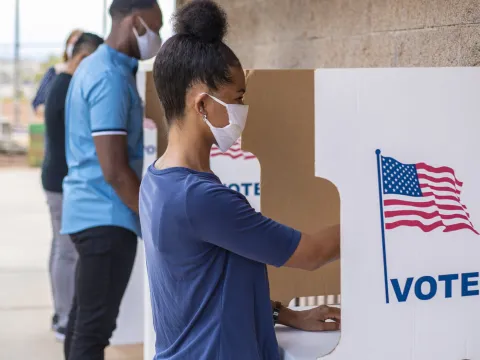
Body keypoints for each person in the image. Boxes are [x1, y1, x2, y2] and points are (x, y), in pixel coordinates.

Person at [139, 1, 341, 359]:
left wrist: (283, 314)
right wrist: (376, 216)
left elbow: (206, 285)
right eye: (238, 98)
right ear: (202, 105)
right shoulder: (199, 198)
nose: (243, 110)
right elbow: (313, 254)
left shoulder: (157, 180)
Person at [61, 0, 162, 359]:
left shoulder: (99, 68)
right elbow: (116, 171)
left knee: (83, 322)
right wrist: (151, 220)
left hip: (90, 212)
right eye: (155, 27)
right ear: (134, 22)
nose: (159, 37)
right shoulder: (109, 78)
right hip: (105, 216)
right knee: (93, 330)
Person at [42, 32, 104, 341]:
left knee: (60, 248)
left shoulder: (60, 81)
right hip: (61, 181)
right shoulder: (67, 87)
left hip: (55, 178)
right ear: (82, 58)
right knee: (67, 251)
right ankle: (64, 319)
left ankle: (61, 313)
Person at [32, 29, 83, 116]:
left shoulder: (88, 75)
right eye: (72, 44)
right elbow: (38, 105)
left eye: (77, 45)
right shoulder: (54, 72)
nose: (74, 48)